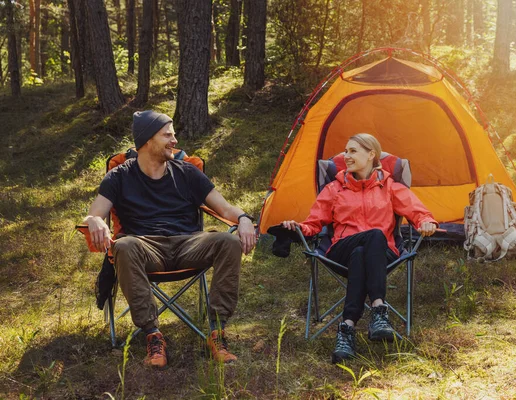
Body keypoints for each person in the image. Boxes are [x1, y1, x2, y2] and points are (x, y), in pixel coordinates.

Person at [83, 110, 256, 368]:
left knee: (228, 241)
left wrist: (243, 218)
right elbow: (95, 213)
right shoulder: (119, 176)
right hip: (144, 247)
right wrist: (94, 220)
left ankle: (217, 332)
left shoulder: (187, 172)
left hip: (189, 245)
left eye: (173, 134)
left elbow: (225, 208)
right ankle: (153, 335)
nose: (174, 140)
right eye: (167, 135)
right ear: (147, 140)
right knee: (124, 245)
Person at [282, 133, 437, 363]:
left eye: (353, 151)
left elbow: (418, 211)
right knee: (371, 237)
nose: (346, 156)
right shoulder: (335, 188)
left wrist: (427, 221)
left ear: (371, 154)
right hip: (340, 251)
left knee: (363, 251)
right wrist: (299, 228)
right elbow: (314, 222)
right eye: (346, 151)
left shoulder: (389, 186)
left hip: (380, 253)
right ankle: (378, 310)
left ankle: (346, 328)